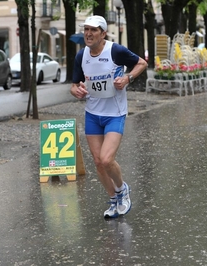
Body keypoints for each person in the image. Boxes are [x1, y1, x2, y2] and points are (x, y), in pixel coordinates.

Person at [70, 15, 147, 219]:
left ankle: (122, 189)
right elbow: (74, 84)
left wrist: (128, 78)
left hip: (115, 113)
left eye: (93, 30)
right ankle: (113, 199)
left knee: (106, 159)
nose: (88, 33)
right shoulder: (81, 56)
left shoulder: (115, 50)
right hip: (93, 114)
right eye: (86, 29)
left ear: (103, 33)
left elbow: (141, 63)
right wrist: (75, 91)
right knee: (97, 161)